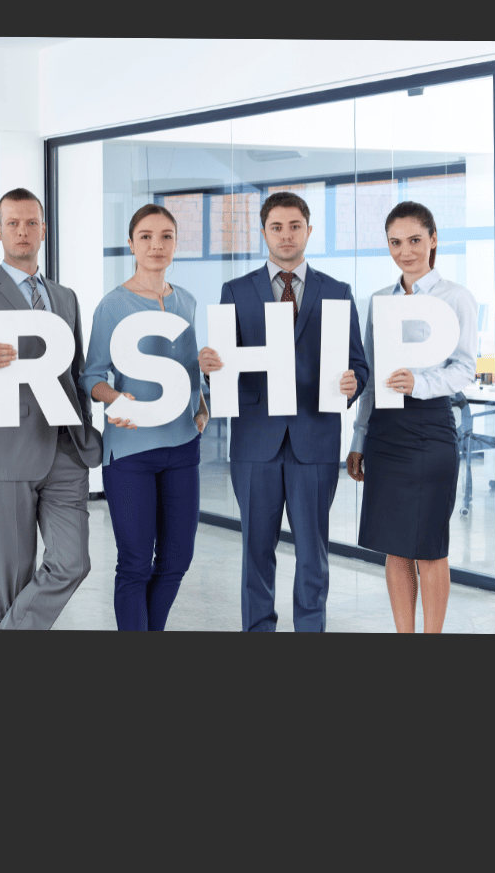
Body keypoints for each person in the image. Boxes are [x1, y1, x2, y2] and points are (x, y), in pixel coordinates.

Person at [198, 190, 368, 632]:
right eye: (277, 227)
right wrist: (213, 368)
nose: (286, 235)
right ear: (263, 233)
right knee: (256, 551)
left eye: (295, 226)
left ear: (309, 231)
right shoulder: (236, 291)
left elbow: (359, 364)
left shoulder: (337, 292)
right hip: (256, 441)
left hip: (315, 439)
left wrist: (353, 383)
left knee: (314, 553)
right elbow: (226, 368)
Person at [0, 187, 102, 630]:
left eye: (31, 223)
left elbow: (76, 373)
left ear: (43, 229)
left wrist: (86, 428)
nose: (23, 231)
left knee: (72, 562)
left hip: (65, 449)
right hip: (10, 452)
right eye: (14, 224)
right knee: (15, 573)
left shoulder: (65, 297)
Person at [346, 201, 476, 634]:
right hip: (385, 430)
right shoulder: (380, 301)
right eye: (396, 243)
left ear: (433, 239)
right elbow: (368, 376)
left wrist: (418, 384)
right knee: (396, 546)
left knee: (429, 548)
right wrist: (358, 439)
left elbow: (464, 368)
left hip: (431, 428)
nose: (406, 251)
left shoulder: (455, 297)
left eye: (415, 240)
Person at [80, 204, 208, 631]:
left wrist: (203, 405)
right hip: (131, 452)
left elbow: (189, 371)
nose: (157, 245)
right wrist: (116, 398)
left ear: (175, 243)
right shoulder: (112, 306)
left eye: (166, 236)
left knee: (177, 559)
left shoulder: (186, 301)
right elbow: (92, 376)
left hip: (182, 447)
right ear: (131, 244)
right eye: (147, 236)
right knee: (135, 562)